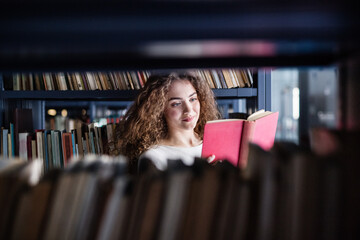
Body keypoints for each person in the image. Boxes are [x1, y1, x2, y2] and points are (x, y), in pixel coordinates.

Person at [115, 71, 221, 173]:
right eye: (176, 104)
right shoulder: (153, 157)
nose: (189, 110)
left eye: (193, 99)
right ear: (159, 109)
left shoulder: (215, 145)